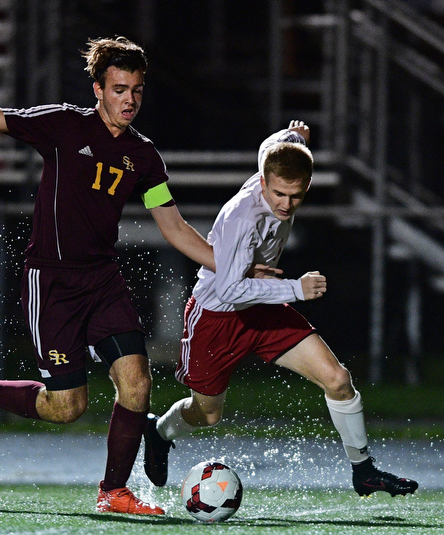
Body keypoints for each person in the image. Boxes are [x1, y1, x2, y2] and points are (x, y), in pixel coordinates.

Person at [0, 36, 215, 515]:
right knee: (66, 407)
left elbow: (174, 227)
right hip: (52, 282)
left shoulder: (145, 157)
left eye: (137, 89)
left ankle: (114, 492)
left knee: (136, 384)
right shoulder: (65, 126)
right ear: (98, 89)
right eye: (119, 89)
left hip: (103, 280)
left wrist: (234, 265)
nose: (129, 99)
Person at [143, 120, 419, 498]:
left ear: (306, 184)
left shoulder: (281, 157)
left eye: (296, 195)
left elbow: (278, 143)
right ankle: (158, 432)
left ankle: (364, 470)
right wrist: (295, 288)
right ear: (262, 180)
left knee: (338, 380)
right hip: (217, 315)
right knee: (207, 414)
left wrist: (299, 136)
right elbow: (230, 289)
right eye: (278, 194)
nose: (285, 205)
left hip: (263, 308)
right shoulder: (244, 217)